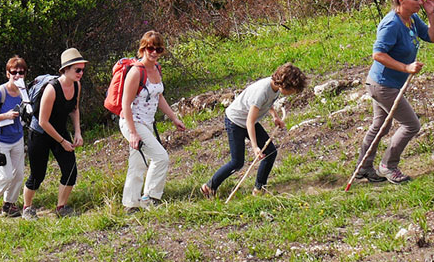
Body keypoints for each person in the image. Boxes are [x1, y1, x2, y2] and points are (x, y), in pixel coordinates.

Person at [354, 0, 434, 184]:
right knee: (411, 125)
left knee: (380, 126)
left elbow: (433, 38)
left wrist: (430, 14)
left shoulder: (412, 19)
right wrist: (406, 67)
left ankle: (363, 168)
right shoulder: (391, 24)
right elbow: (378, 54)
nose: (420, 2)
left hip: (389, 84)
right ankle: (388, 166)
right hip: (382, 84)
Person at [203, 63, 307, 198]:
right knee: (237, 162)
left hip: (248, 121)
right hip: (235, 121)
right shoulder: (262, 91)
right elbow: (249, 122)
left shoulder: (274, 88)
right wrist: (255, 147)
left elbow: (267, 103)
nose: (293, 93)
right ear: (284, 84)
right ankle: (209, 187)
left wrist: (275, 116)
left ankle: (259, 189)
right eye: (292, 90)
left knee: (270, 153)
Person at [120, 31, 186, 212]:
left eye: (158, 49)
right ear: (143, 49)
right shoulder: (136, 72)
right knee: (160, 157)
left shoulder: (156, 69)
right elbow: (125, 104)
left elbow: (159, 96)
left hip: (146, 123)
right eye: (150, 48)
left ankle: (130, 204)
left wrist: (174, 118)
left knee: (138, 163)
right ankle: (149, 198)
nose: (154, 52)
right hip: (132, 122)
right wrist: (133, 132)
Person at [22, 50, 88, 219]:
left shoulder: (76, 85)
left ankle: (61, 207)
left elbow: (74, 109)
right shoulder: (51, 89)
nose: (81, 73)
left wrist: (77, 132)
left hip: (59, 130)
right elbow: (43, 121)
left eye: (82, 69)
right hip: (40, 133)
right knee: (38, 174)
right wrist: (62, 141)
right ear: (65, 69)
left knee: (70, 170)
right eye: (77, 70)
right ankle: (27, 208)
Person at [0, 57, 31, 218]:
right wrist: (5, 115)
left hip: (16, 137)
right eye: (14, 72)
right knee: (6, 174)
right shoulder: (0, 93)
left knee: (18, 175)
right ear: (7, 73)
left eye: (21, 72)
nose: (17, 75)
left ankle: (9, 205)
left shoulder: (24, 92)